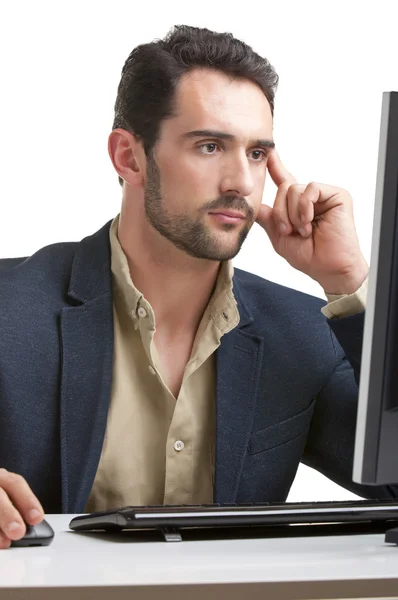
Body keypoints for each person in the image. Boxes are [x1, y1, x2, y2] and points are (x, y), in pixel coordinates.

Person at [0, 24, 397, 550]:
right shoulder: (12, 308)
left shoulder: (301, 334)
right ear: (129, 156)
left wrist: (350, 282)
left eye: (257, 153)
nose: (241, 181)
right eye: (210, 146)